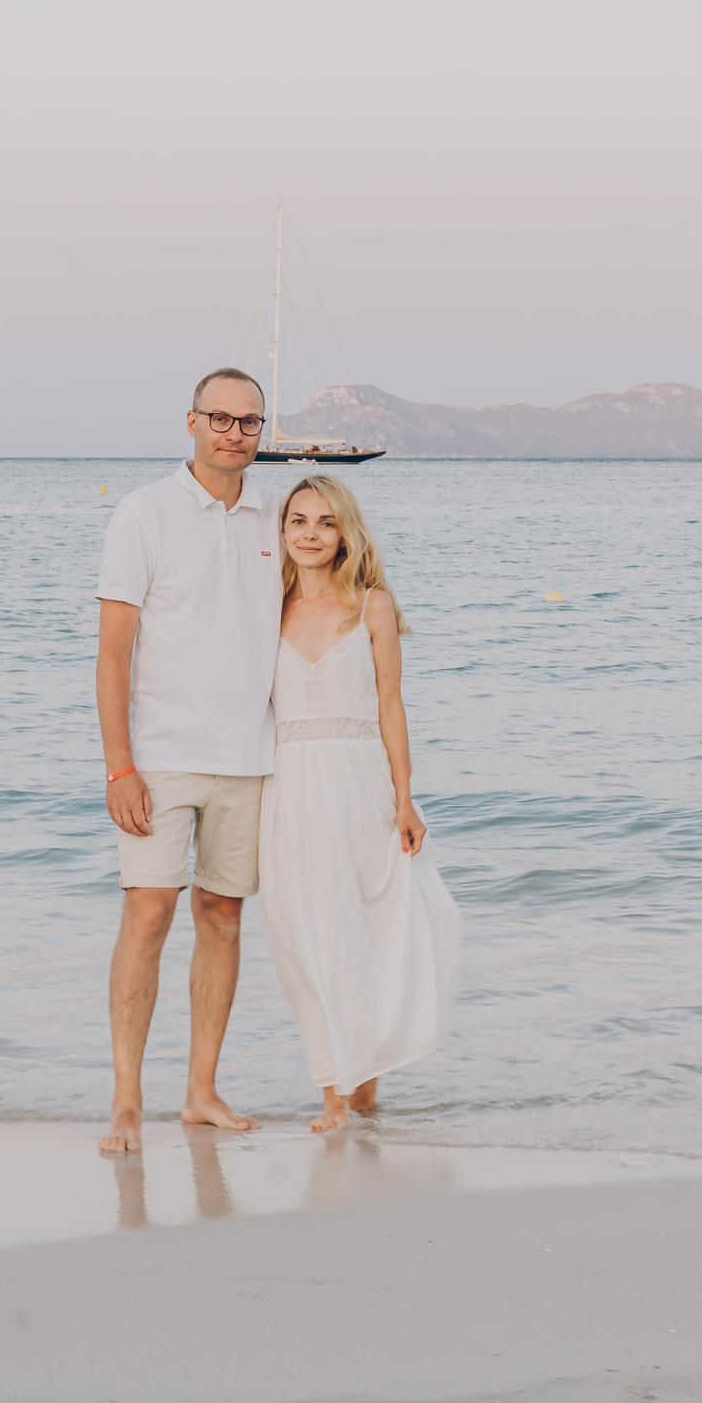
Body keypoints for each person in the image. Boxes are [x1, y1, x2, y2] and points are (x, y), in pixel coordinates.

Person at [93, 368, 282, 1155]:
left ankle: (201, 1090)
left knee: (224, 917)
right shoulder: (144, 513)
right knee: (147, 913)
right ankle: (127, 1100)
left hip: (251, 756)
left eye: (249, 422)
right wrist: (119, 766)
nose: (234, 433)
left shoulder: (278, 515)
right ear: (191, 422)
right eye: (220, 418)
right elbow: (113, 653)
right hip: (163, 757)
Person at [259, 474, 460, 1133]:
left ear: (346, 531)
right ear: (282, 531)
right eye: (298, 521)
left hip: (359, 781)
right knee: (300, 935)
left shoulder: (371, 605)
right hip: (287, 784)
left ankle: (359, 1083)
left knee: (361, 931)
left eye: (325, 521)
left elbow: (390, 705)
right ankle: (333, 1086)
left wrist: (405, 799)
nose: (310, 533)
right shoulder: (266, 606)